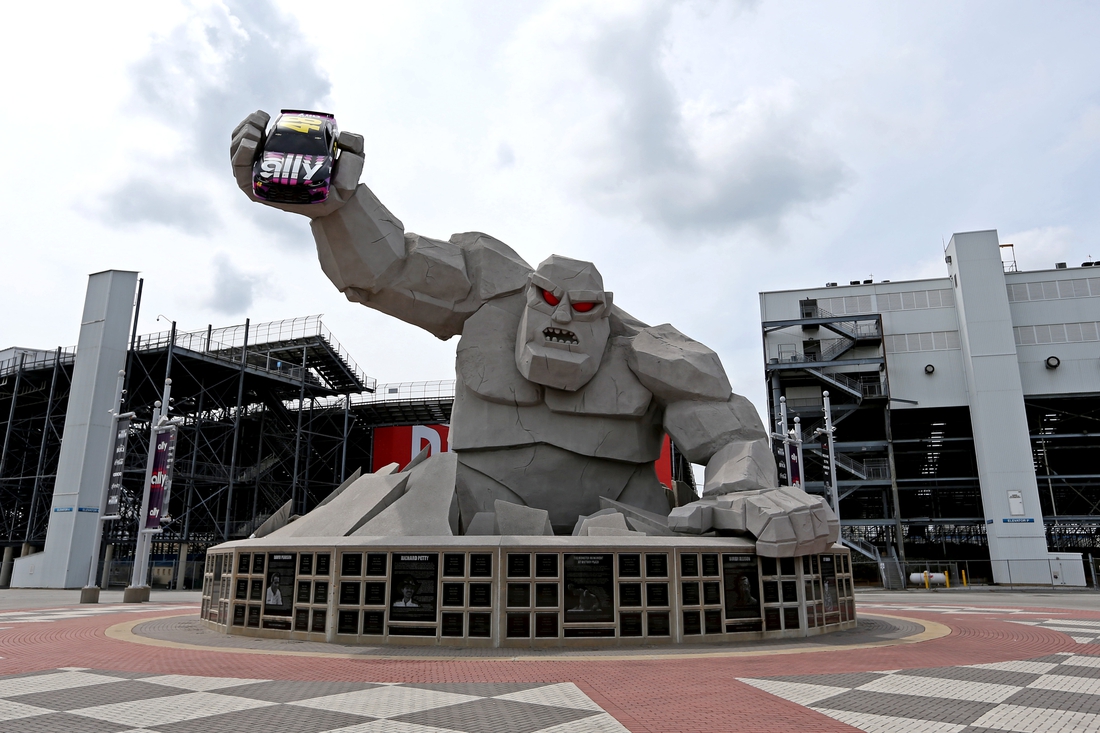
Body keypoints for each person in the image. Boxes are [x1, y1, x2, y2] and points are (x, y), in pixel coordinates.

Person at [230, 111, 838, 554]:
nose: (561, 320)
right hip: (471, 533)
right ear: (526, 296)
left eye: (582, 308)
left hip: (623, 538)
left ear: (607, 314)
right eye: (547, 300)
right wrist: (338, 204)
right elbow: (388, 269)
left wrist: (741, 489)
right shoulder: (488, 292)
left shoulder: (648, 352)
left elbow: (728, 427)